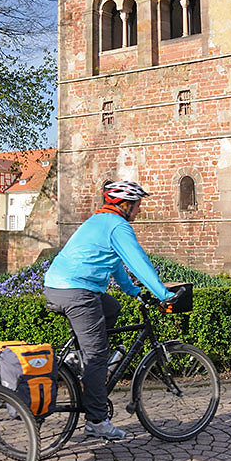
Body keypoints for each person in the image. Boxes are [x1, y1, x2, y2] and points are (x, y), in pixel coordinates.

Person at [44, 180, 174, 442]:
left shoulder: (98, 221)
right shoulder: (118, 226)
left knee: (111, 308)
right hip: (77, 292)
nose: (138, 212)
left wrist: (135, 291)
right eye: (137, 206)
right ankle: (97, 421)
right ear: (125, 205)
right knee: (97, 356)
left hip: (58, 287)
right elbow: (138, 261)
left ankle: (76, 360)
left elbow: (115, 264)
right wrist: (164, 294)